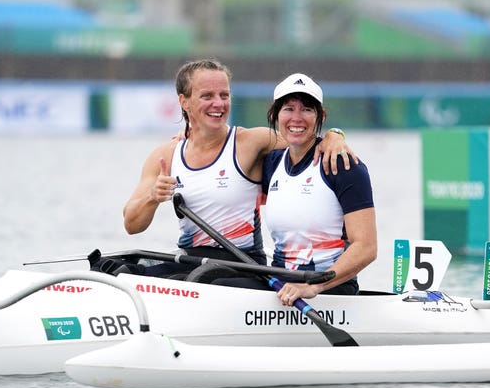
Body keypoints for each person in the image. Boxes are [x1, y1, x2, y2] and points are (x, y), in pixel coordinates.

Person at [113, 59, 358, 278]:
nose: (218, 104)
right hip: (191, 258)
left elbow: (304, 137)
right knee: (119, 269)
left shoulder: (251, 142)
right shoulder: (165, 155)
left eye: (224, 95)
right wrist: (153, 197)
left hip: (242, 263)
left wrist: (335, 135)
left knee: (194, 280)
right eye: (207, 96)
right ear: (184, 101)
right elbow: (132, 225)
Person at [215, 73, 377, 302]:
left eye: (307, 110)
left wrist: (313, 286)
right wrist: (190, 138)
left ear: (321, 116)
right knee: (216, 284)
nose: (297, 118)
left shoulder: (345, 167)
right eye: (289, 109)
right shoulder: (271, 163)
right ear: (275, 115)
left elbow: (367, 247)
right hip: (281, 283)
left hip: (328, 289)